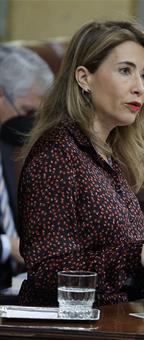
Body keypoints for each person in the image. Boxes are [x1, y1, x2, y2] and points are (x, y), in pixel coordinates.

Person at [18, 20, 144, 306]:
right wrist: (134, 256)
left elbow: (117, 261)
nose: (140, 87)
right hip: (75, 328)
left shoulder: (106, 153)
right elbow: (46, 274)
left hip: (117, 319)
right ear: (84, 78)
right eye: (125, 71)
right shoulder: (56, 154)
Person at [0, 44, 53, 291]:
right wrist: (6, 246)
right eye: (27, 111)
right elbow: (11, 243)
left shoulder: (5, 146)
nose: (31, 124)